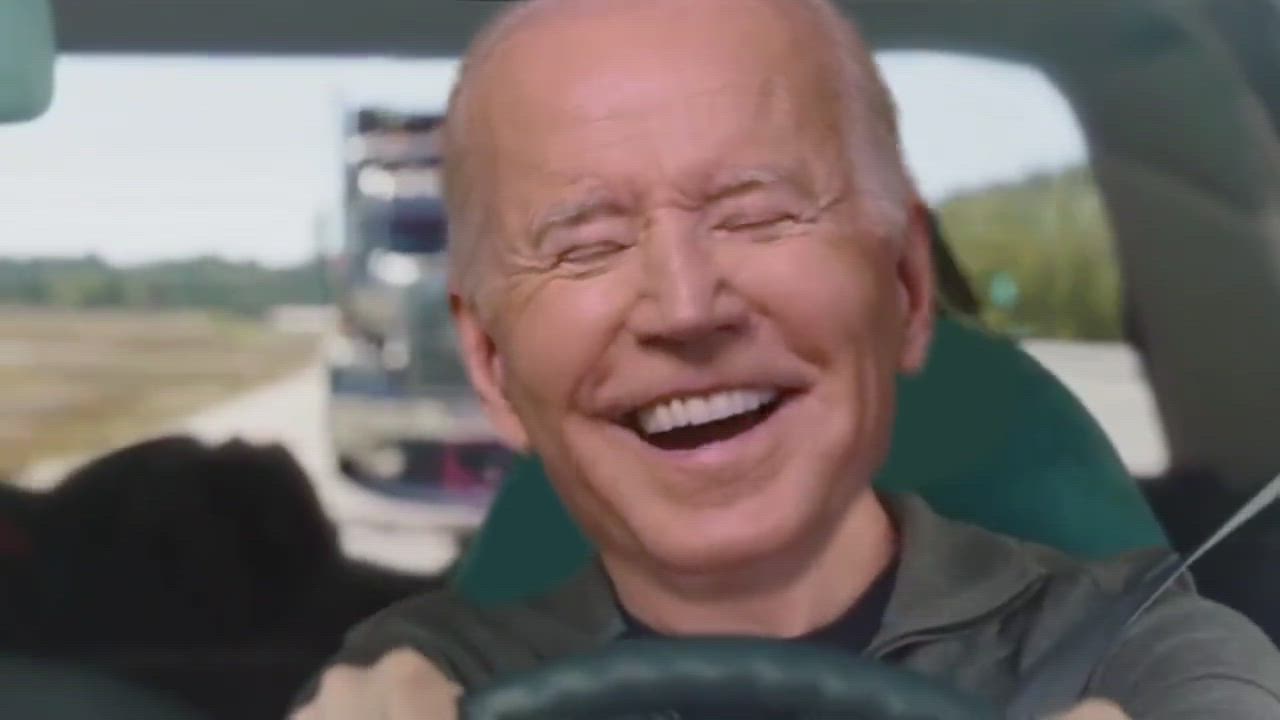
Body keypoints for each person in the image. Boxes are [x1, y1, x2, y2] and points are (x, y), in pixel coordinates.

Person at [292, 0, 1280, 717]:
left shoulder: (1138, 647)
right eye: (585, 246)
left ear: (904, 287)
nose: (685, 308)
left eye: (756, 214)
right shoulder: (422, 679)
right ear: (491, 365)